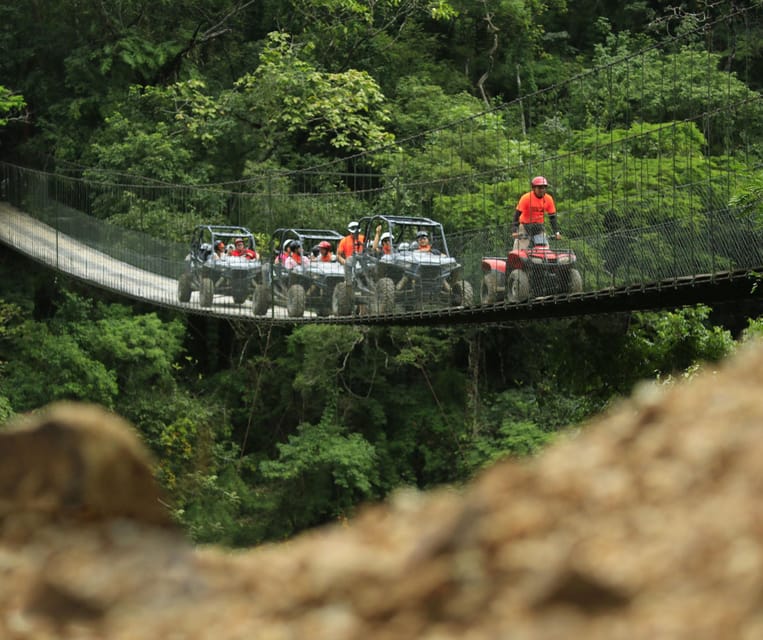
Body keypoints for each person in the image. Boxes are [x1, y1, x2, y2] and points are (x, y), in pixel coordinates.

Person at [512, 176, 561, 246]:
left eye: (543, 188)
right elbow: (517, 215)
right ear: (533, 188)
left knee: (544, 251)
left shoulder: (548, 199)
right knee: (519, 251)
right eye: (539, 188)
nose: (542, 190)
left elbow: (552, 217)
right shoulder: (526, 198)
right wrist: (514, 231)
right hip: (525, 226)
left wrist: (556, 232)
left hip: (538, 227)